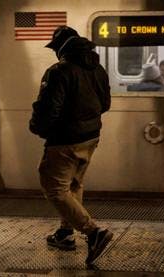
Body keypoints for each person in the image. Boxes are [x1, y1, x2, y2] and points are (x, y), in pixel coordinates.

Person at [29, 25, 113, 265]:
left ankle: (93, 233)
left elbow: (47, 110)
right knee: (74, 183)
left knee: (54, 188)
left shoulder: (58, 71)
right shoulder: (97, 69)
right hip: (90, 137)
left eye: (55, 48)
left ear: (61, 47)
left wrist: (38, 127)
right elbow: (105, 103)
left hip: (64, 141)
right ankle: (66, 233)